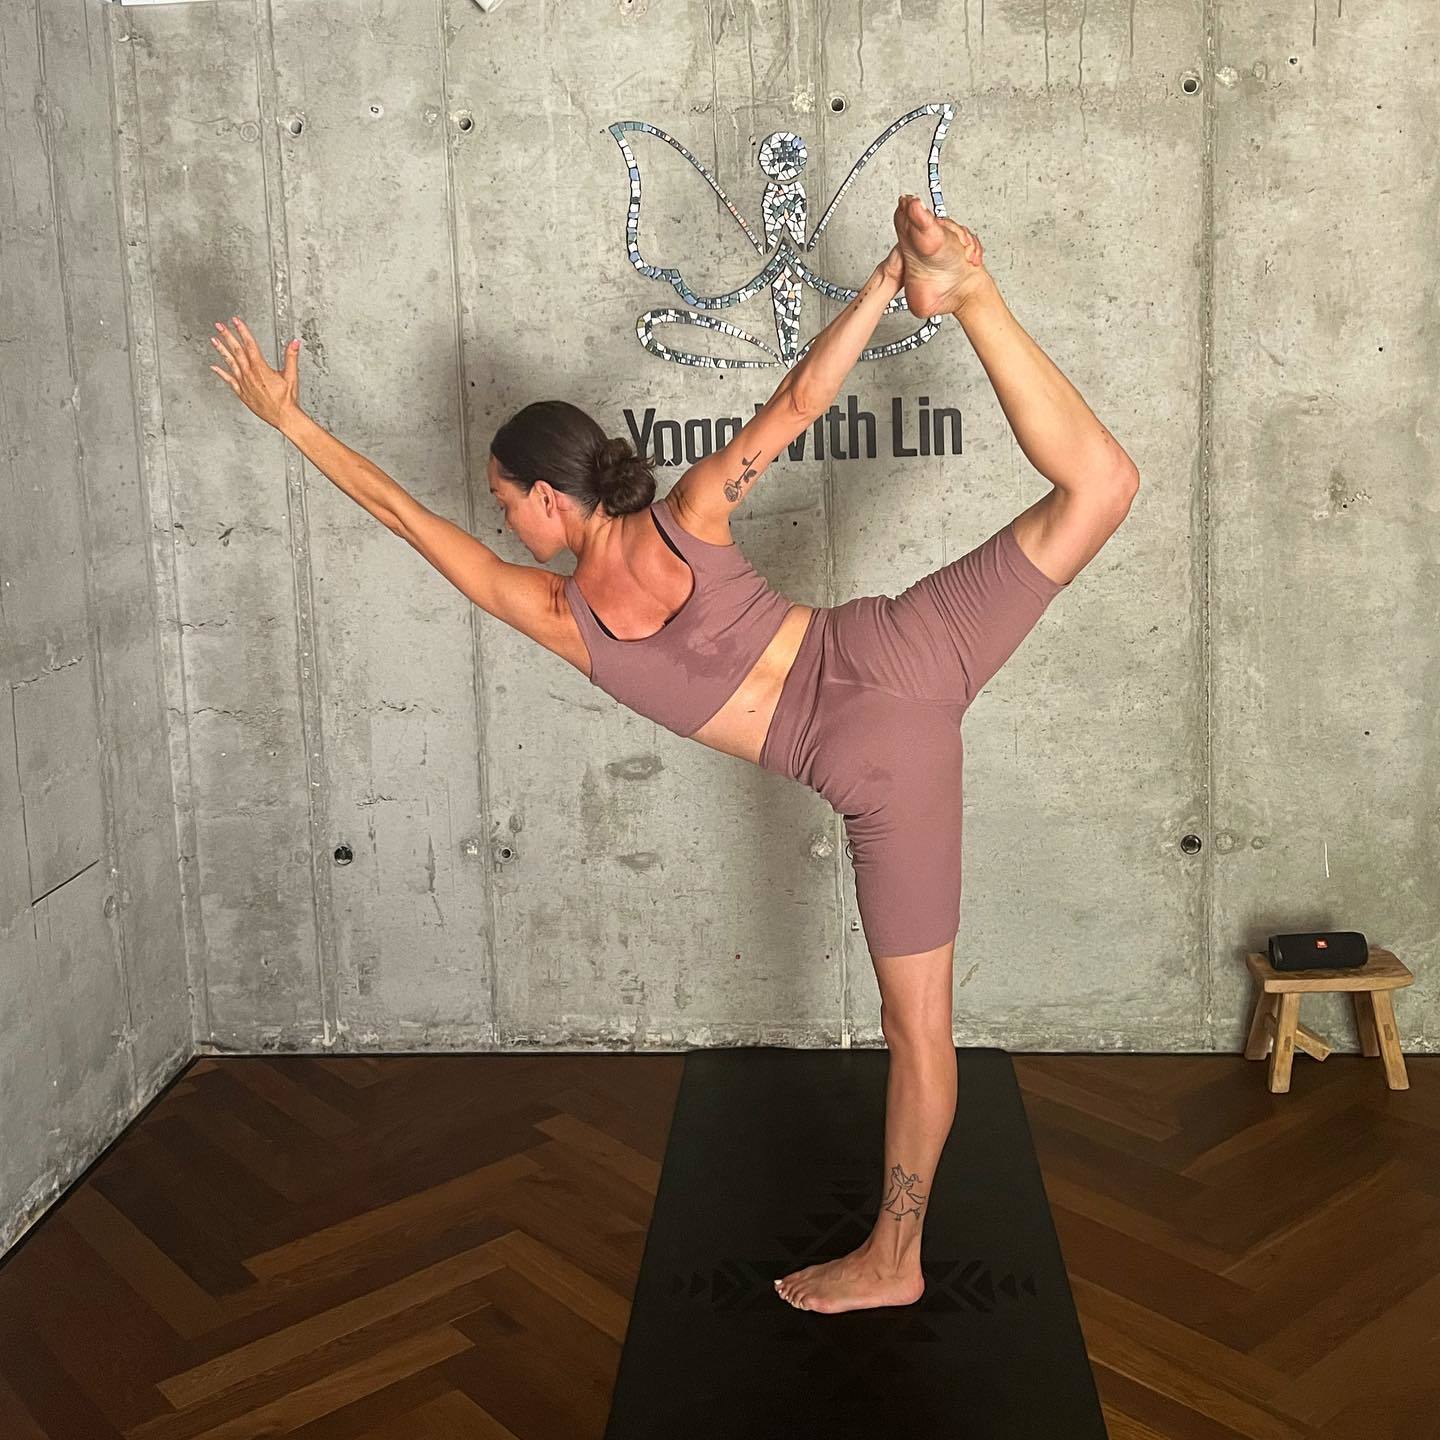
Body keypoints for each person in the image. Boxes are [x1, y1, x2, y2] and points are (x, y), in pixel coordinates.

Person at [208, 194, 1139, 1315]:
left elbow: (405, 519)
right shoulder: (693, 511)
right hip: (899, 644)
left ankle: (896, 1260)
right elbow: (802, 399)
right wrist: (887, 286)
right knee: (1102, 487)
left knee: (919, 1028)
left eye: (505, 504)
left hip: (879, 770)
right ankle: (970, 294)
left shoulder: (560, 617)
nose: (501, 523)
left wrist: (291, 423)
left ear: (548, 498)